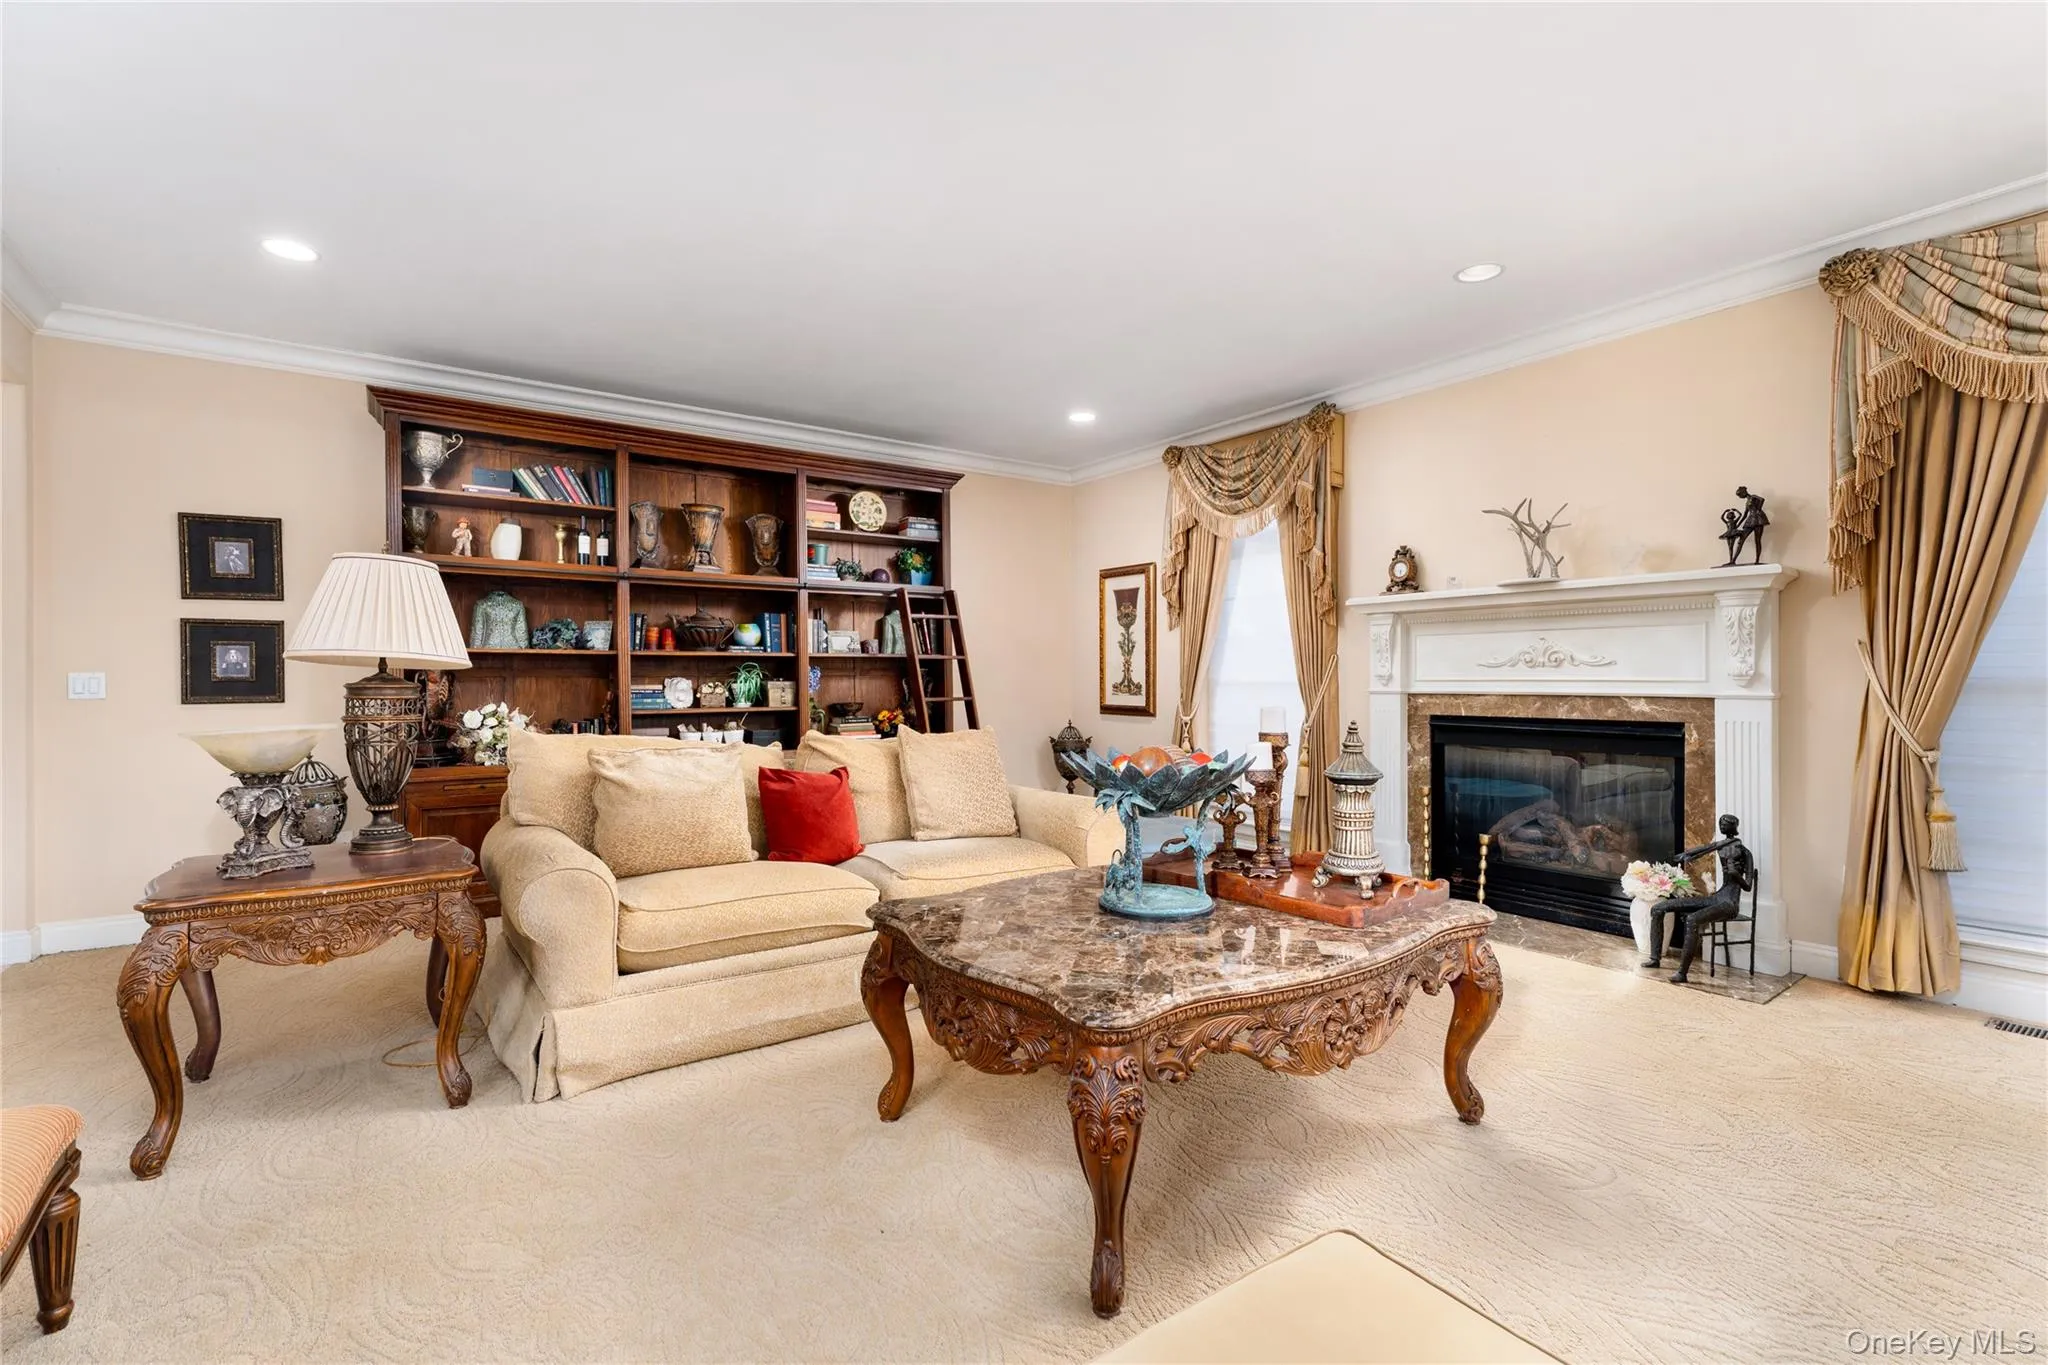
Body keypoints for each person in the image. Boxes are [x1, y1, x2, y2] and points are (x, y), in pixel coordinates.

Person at [1645, 814, 1756, 983]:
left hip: (1729, 903)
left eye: (1725, 824)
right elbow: (1706, 848)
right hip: (1717, 897)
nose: (1722, 827)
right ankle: (1654, 958)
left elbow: (1748, 886)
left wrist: (1735, 874)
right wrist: (1686, 856)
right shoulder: (1722, 846)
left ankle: (1682, 973)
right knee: (1658, 908)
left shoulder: (1745, 853)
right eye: (1721, 824)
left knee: (1692, 919)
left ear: (1734, 827)